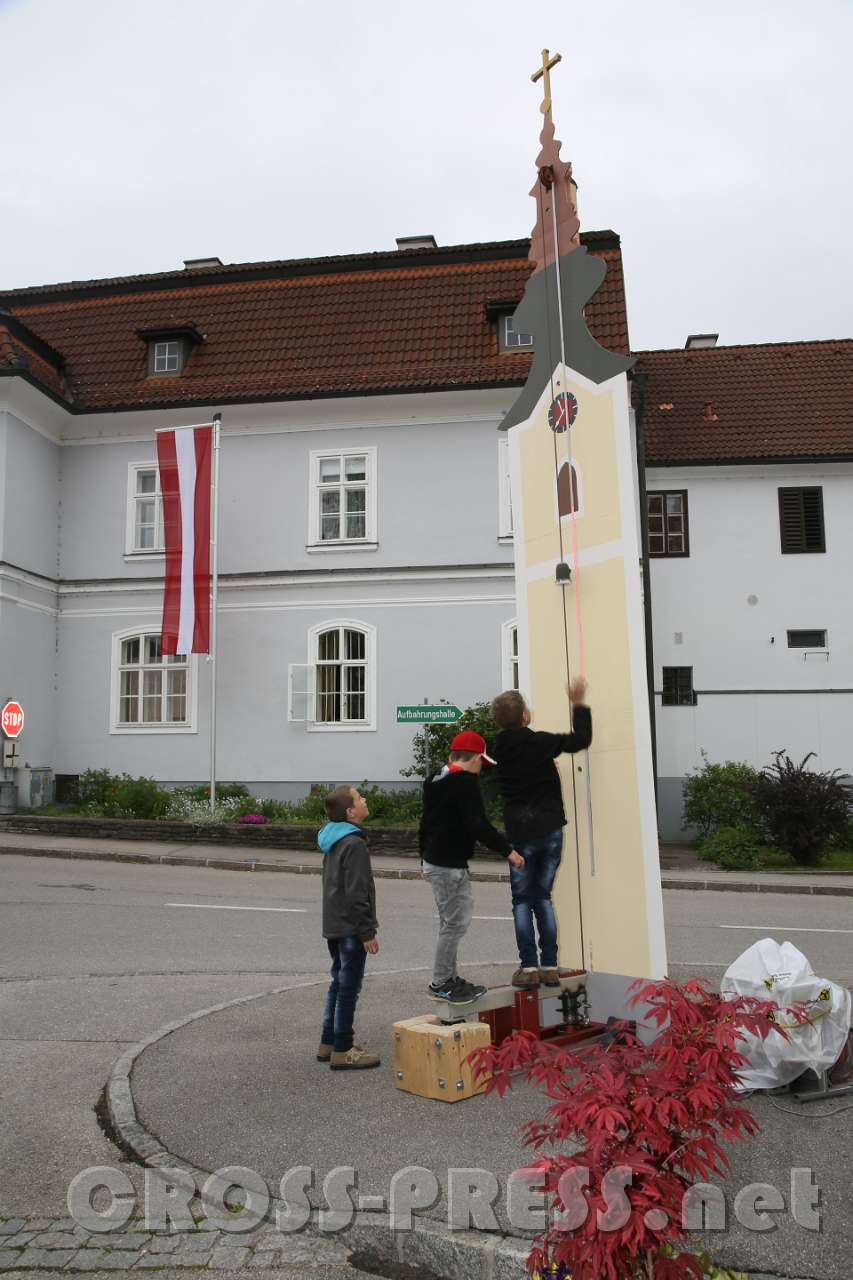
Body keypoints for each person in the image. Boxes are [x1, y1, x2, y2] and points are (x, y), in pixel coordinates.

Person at [491, 678, 592, 989]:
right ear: (525, 716)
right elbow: (581, 739)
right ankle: (550, 964)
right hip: (548, 828)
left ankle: (528, 967)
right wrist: (578, 703)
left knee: (522, 900)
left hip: (519, 831)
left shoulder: (496, 750)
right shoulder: (542, 742)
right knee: (543, 897)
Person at [419, 729, 525, 1004]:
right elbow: (478, 824)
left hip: (435, 860)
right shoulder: (464, 783)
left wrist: (422, 856)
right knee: (455, 923)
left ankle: (449, 978)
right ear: (476, 758)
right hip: (449, 865)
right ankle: (441, 981)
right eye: (482, 763)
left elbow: (426, 822)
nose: (481, 769)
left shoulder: (435, 778)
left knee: (449, 922)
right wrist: (508, 851)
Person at [317, 784, 380, 1070]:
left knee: (338, 982)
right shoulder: (353, 844)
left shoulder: (332, 839)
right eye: (359, 797)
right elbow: (357, 892)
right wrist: (367, 931)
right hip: (351, 928)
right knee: (348, 988)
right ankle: (343, 1048)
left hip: (334, 924)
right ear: (351, 811)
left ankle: (328, 1042)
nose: (364, 799)